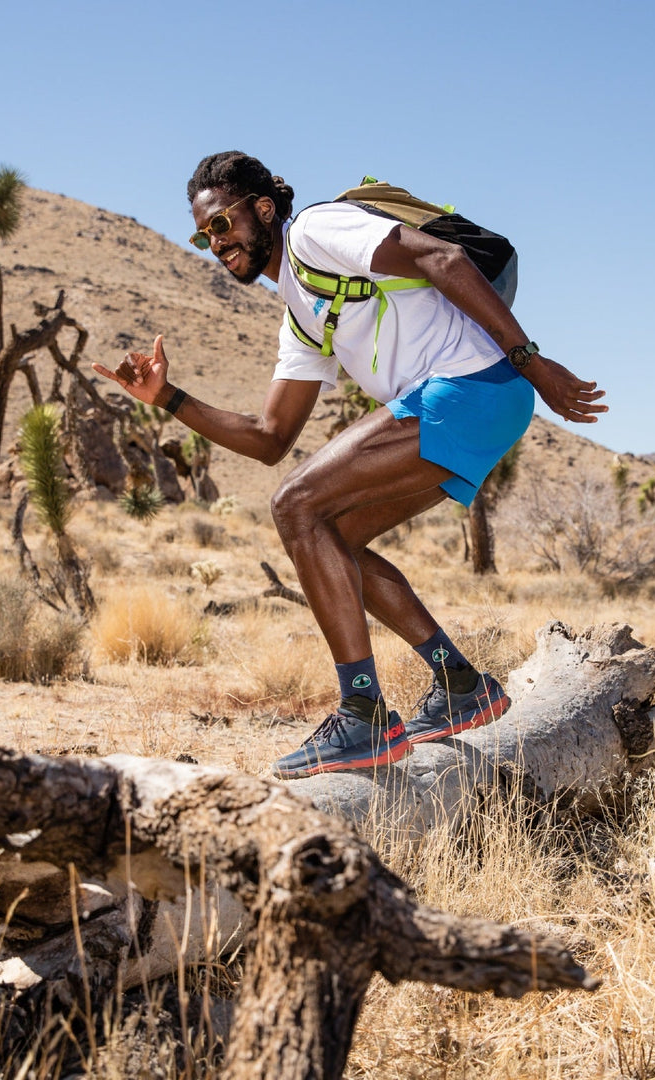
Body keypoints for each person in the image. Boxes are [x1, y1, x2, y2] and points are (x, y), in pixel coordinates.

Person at [92, 151, 607, 779]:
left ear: (262, 209)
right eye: (204, 237)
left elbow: (439, 258)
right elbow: (268, 436)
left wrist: (531, 360)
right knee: (331, 538)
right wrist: (166, 398)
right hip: (472, 405)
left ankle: (362, 714)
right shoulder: (300, 312)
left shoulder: (314, 230)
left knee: (295, 505)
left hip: (470, 387)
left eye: (222, 225)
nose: (215, 244)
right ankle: (461, 685)